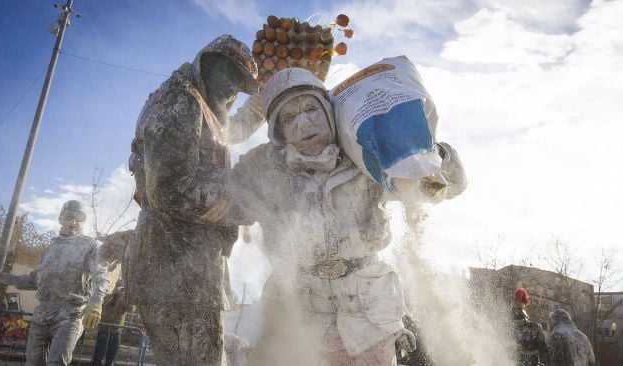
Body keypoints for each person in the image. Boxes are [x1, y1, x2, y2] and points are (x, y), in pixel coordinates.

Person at [204, 67, 466, 366]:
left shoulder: (365, 153)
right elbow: (216, 195)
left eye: (311, 109)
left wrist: (432, 156)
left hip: (368, 311)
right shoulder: (264, 169)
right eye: (289, 118)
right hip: (300, 311)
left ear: (329, 112)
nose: (303, 123)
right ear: (279, 130)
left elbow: (449, 186)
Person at [124, 34, 258, 366]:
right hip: (174, 269)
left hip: (187, 269)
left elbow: (228, 133)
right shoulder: (179, 100)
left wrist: (260, 108)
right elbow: (169, 190)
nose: (233, 92)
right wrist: (243, 204)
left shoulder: (198, 103)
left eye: (241, 87)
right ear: (210, 63)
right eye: (233, 81)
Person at [0, 200, 109, 366]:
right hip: (42, 314)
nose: (74, 222)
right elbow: (32, 281)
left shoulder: (91, 246)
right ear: (60, 219)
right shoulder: (51, 249)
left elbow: (101, 275)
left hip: (70, 314)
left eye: (79, 218)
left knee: (56, 363)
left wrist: (96, 302)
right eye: (69, 217)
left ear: (84, 221)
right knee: (32, 363)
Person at [90, 283, 133, 366]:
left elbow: (131, 309)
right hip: (104, 331)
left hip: (116, 333)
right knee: (98, 356)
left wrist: (126, 297)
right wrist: (113, 294)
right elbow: (102, 304)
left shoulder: (123, 301)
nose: (121, 290)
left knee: (111, 358)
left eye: (123, 289)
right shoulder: (107, 297)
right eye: (119, 287)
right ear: (115, 287)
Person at [510, 288, 550, 366]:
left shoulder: (534, 327)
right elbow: (543, 348)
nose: (519, 302)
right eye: (518, 299)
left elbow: (543, 348)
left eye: (520, 300)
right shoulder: (535, 327)